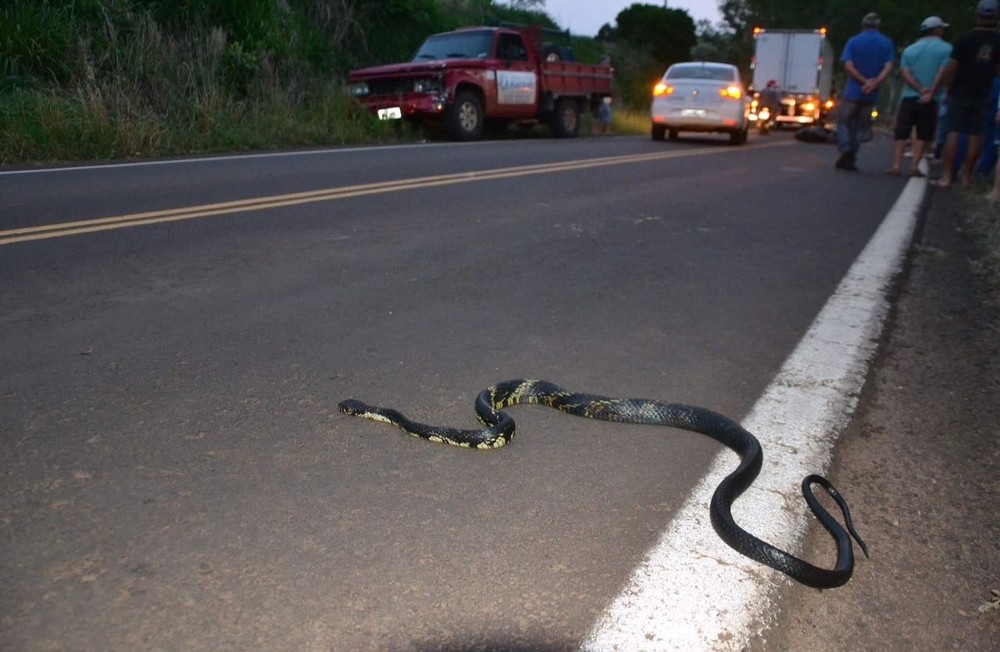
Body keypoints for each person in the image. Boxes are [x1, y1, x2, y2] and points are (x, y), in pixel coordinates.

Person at [935, 0, 1000, 189]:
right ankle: (967, 177)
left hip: (961, 91)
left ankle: (947, 175)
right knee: (975, 135)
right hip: (984, 92)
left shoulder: (965, 38)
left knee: (953, 132)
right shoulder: (997, 40)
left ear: (978, 16)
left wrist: (949, 89)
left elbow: (952, 67)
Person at [889, 16, 953, 176]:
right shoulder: (946, 49)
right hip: (932, 98)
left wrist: (919, 88)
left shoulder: (910, 49)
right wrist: (930, 92)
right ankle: (914, 166)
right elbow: (943, 71)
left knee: (902, 131)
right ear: (937, 30)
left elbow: (905, 72)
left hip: (909, 96)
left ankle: (896, 164)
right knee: (924, 133)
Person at [835, 13, 895, 171]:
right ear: (878, 25)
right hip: (871, 93)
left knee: (844, 122)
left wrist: (863, 81)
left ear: (863, 25)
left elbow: (848, 65)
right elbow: (889, 66)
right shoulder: (886, 43)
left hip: (853, 91)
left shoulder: (853, 41)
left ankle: (845, 147)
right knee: (861, 126)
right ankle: (852, 156)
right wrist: (875, 82)